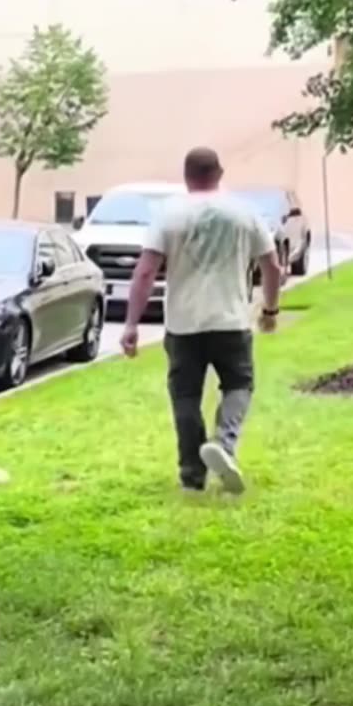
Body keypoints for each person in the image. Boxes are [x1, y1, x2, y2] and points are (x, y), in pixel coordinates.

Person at [120, 147, 283, 494]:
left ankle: (192, 475)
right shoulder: (244, 213)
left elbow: (146, 270)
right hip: (231, 320)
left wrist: (132, 324)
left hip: (183, 324)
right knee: (239, 384)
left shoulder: (169, 215)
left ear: (186, 176)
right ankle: (223, 445)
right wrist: (270, 310)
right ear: (220, 173)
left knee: (185, 396)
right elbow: (272, 266)